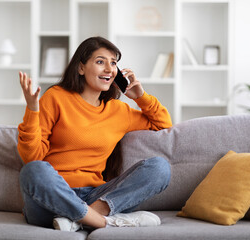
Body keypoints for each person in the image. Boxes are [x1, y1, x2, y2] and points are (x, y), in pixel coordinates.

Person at [18, 36, 173, 232]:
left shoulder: (118, 111)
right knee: (33, 171)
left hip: (97, 196)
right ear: (81, 68)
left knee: (160, 168)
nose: (109, 69)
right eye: (100, 62)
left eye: (113, 63)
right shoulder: (56, 97)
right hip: (52, 199)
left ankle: (78, 220)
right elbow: (32, 157)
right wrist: (33, 110)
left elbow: (163, 124)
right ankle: (102, 222)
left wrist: (141, 97)